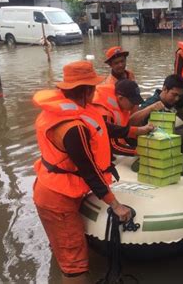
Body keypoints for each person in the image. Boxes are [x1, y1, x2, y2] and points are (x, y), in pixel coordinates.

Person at [32, 60, 153, 283]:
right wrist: (115, 205)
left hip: (53, 187)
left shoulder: (74, 112)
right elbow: (89, 171)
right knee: (74, 265)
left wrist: (137, 131)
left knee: (65, 250)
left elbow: (103, 128)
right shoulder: (72, 129)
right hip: (58, 198)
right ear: (87, 90)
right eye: (93, 87)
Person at [130, 75, 183, 153]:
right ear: (164, 89)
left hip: (166, 133)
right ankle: (176, 155)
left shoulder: (177, 97)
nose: (176, 99)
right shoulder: (152, 102)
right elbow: (131, 121)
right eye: (174, 95)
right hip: (154, 139)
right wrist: (150, 108)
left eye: (179, 96)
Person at [93, 79, 148, 156]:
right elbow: (112, 146)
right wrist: (139, 152)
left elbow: (124, 131)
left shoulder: (122, 106)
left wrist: (144, 143)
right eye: (132, 102)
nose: (134, 106)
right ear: (120, 98)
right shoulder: (105, 113)